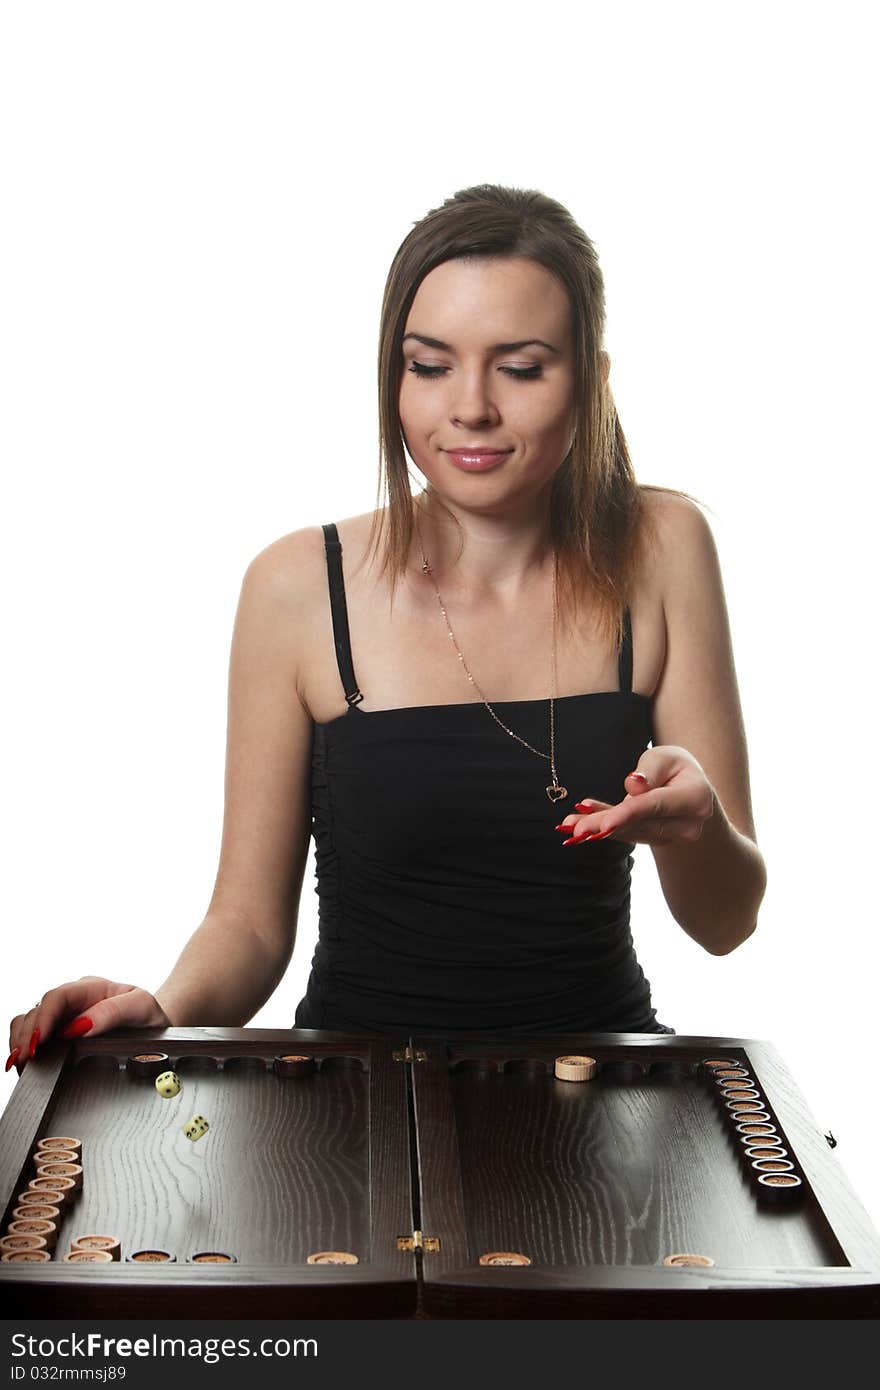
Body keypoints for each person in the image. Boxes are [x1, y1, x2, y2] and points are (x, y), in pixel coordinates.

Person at [6, 183, 767, 1071]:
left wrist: (698, 828)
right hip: (349, 1092)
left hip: (594, 1088)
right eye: (430, 364)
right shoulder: (296, 584)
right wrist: (161, 1007)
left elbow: (727, 923)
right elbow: (248, 924)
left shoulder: (664, 546)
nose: (471, 408)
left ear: (592, 379)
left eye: (521, 367)